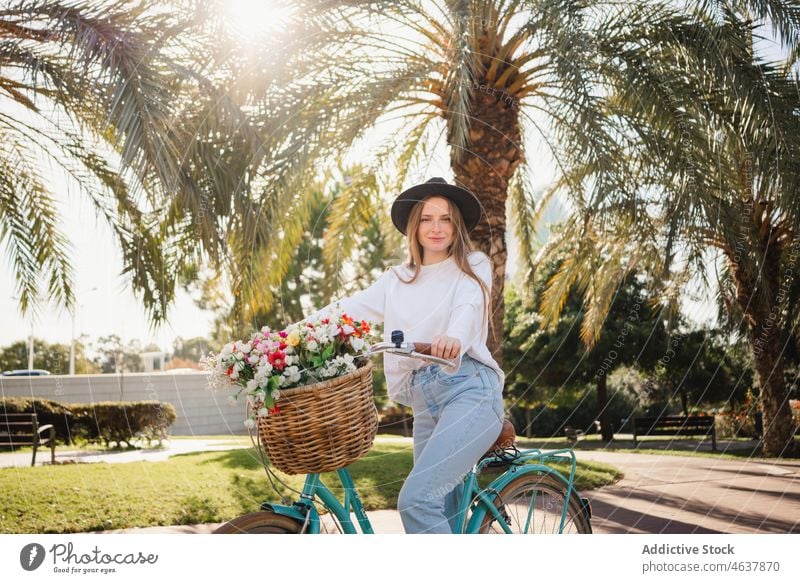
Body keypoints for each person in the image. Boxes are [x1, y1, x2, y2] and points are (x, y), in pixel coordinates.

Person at [302, 177, 505, 533]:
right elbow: (347, 309)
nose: (436, 228)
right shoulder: (397, 279)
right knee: (441, 510)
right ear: (414, 225)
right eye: (427, 219)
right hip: (426, 401)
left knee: (417, 501)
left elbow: (470, 306)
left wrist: (454, 338)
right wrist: (282, 339)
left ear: (457, 225)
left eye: (445, 219)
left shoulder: (472, 264)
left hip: (470, 389)